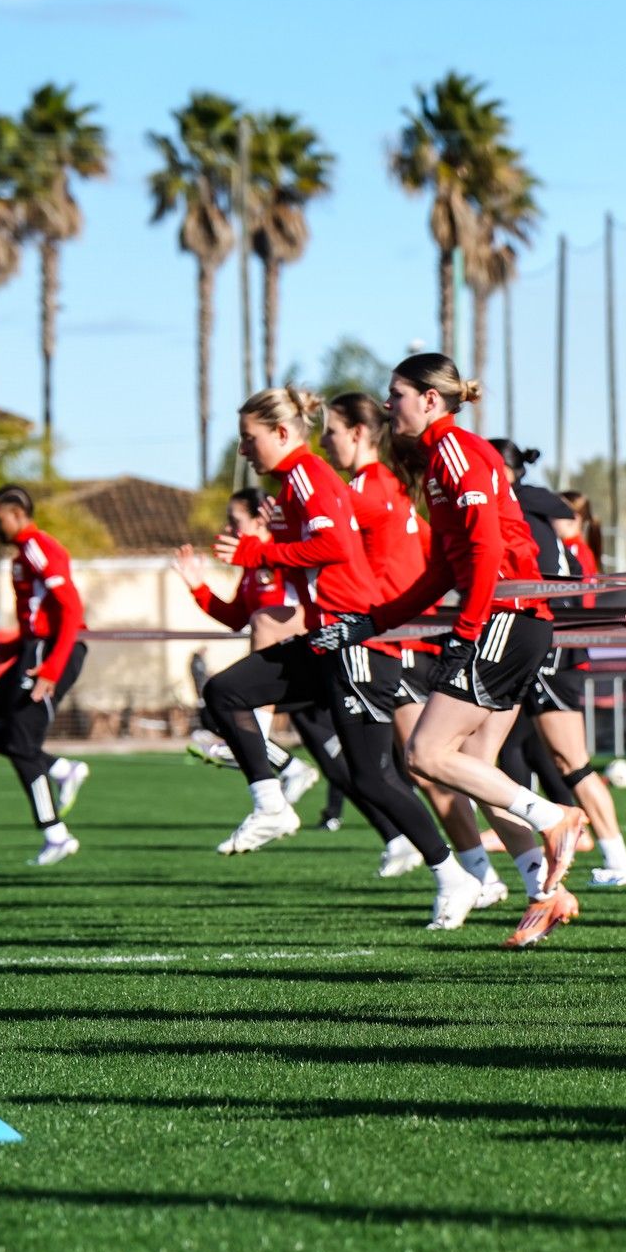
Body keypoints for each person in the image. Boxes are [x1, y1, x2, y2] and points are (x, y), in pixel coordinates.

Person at [312, 355, 589, 948]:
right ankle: (545, 893)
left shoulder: (457, 450)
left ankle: (554, 817)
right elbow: (442, 568)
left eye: (397, 394)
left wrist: (466, 631)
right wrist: (372, 623)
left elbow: (488, 550)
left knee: (424, 754)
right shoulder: (439, 460)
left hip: (503, 622)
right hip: (508, 622)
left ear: (430, 400)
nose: (389, 407)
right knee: (476, 774)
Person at [199, 386, 490, 926]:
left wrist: (259, 549)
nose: (243, 451)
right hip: (333, 638)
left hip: (354, 640)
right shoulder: (295, 482)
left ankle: (460, 873)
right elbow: (312, 557)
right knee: (226, 692)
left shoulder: (307, 473)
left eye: (249, 438)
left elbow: (334, 547)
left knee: (374, 775)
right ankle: (271, 804)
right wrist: (273, 542)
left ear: (282, 434)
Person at [323, 392, 509, 905]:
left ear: (358, 434)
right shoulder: (397, 489)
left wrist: (264, 542)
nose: (324, 442)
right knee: (427, 767)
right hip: (397, 634)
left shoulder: (367, 489)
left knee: (412, 766)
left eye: (330, 431)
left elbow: (323, 539)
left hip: (389, 643)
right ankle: (484, 874)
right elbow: (436, 557)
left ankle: (518, 845)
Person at [498, 459, 626, 888]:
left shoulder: (526, 510)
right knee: (556, 760)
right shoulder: (539, 513)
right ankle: (584, 845)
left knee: (572, 763)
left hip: (552, 647)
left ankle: (609, 854)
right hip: (557, 644)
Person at [177, 488, 337, 822]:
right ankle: (289, 767)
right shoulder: (252, 566)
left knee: (356, 767)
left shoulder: (281, 557)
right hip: (278, 674)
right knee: (349, 769)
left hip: (306, 666)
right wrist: (198, 588)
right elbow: (237, 617)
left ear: (259, 519)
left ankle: (277, 760)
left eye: (236, 521)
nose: (230, 529)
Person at [0, 485, 90, 866]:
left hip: (50, 653)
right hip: (32, 650)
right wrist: (10, 649)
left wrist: (52, 667)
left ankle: (56, 835)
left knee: (22, 745)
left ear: (18, 514)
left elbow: (71, 610)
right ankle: (60, 768)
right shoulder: (22, 554)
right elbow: (37, 613)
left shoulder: (39, 547)